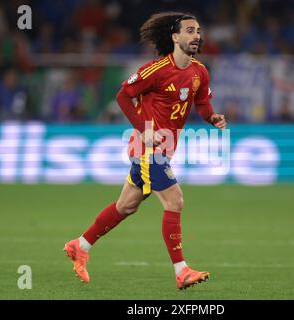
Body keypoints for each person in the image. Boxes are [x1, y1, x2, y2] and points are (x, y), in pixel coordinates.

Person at [64, 12, 227, 290]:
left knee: (126, 206)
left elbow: (201, 102)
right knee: (174, 201)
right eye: (189, 31)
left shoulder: (200, 71)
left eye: (198, 30)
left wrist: (211, 117)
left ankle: (80, 245)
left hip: (166, 149)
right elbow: (122, 95)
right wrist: (144, 128)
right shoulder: (157, 70)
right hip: (147, 148)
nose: (196, 35)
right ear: (175, 37)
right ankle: (181, 270)